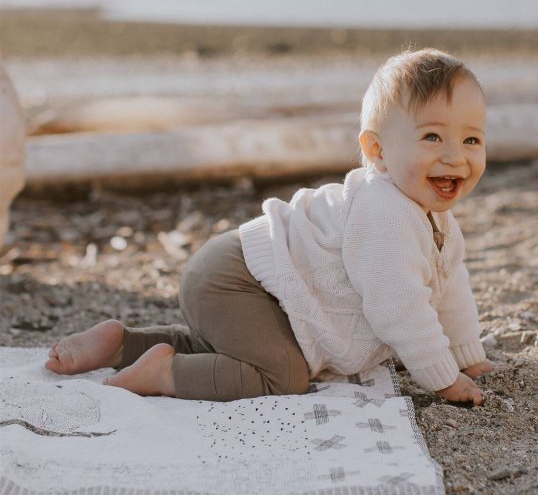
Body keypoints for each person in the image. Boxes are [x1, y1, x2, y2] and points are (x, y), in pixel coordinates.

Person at [45, 48, 494, 405]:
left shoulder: (435, 220)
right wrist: (442, 379)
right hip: (237, 280)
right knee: (282, 373)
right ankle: (164, 374)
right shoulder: (386, 211)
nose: (456, 156)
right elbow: (398, 306)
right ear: (377, 151)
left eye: (471, 139)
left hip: (255, 290)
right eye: (432, 137)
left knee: (240, 347)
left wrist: (467, 358)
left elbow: (450, 289)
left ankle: (121, 346)